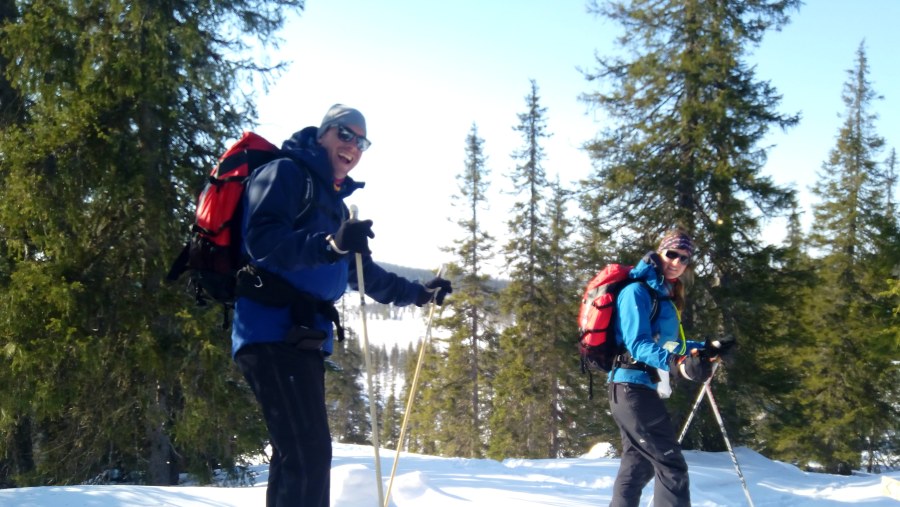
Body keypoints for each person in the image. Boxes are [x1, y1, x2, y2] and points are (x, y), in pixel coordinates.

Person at [231, 104, 452, 507]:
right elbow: (262, 242)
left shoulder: (331, 201)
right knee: (307, 454)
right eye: (344, 134)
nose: (353, 145)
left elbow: (363, 274)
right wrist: (329, 244)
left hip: (301, 338)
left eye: (361, 141)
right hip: (269, 331)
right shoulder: (286, 173)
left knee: (296, 454)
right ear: (323, 135)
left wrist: (420, 293)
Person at [607, 228, 729, 507]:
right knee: (671, 465)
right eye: (671, 254)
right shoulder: (636, 291)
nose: (677, 262)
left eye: (684, 258)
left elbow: (671, 344)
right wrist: (677, 365)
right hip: (629, 387)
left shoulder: (663, 295)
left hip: (639, 388)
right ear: (658, 253)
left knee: (638, 465)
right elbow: (638, 344)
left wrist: (707, 347)